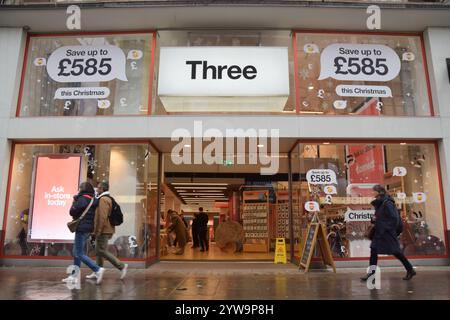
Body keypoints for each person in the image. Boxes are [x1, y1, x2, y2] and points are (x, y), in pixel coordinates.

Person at [361, 185, 416, 282]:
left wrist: (383, 226)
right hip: (380, 232)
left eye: (373, 191)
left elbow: (393, 218)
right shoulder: (380, 203)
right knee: (373, 250)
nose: (372, 193)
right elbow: (381, 217)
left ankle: (410, 269)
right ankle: (371, 274)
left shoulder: (387, 203)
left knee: (396, 252)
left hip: (387, 233)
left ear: (379, 192)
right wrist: (374, 219)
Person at [63, 182, 105, 285]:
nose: (79, 190)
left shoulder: (82, 199)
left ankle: (97, 269)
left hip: (81, 228)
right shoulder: (92, 199)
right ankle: (74, 276)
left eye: (80, 188)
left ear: (83, 189)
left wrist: (74, 201)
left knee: (78, 253)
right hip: (88, 228)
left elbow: (72, 212)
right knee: (77, 252)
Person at [85, 181, 128, 281]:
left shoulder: (103, 200)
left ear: (102, 189)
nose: (97, 189)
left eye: (98, 188)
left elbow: (101, 217)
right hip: (106, 229)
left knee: (100, 250)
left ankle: (121, 266)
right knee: (99, 251)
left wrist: (97, 231)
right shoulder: (106, 198)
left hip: (104, 229)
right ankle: (97, 271)